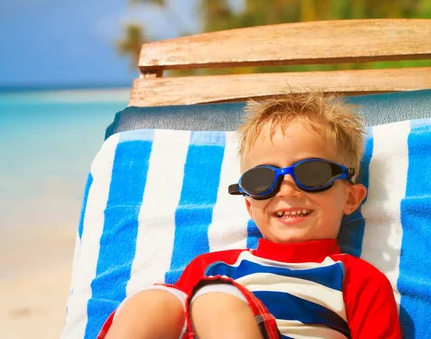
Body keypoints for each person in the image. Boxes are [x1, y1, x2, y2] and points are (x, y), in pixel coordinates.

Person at [100, 92, 401, 339]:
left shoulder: (359, 280)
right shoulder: (211, 267)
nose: (287, 188)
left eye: (312, 173)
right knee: (154, 303)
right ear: (249, 205)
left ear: (350, 197)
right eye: (262, 181)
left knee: (217, 300)